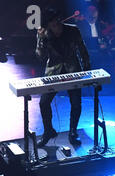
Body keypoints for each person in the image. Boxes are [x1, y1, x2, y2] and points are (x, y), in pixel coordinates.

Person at [35, 7, 91, 147]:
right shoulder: (44, 34)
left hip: (72, 69)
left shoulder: (72, 30)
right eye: (53, 24)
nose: (56, 26)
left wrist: (87, 68)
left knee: (76, 103)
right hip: (53, 72)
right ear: (49, 24)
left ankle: (73, 131)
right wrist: (41, 39)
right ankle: (48, 131)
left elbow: (82, 49)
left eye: (57, 22)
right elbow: (40, 56)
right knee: (44, 102)